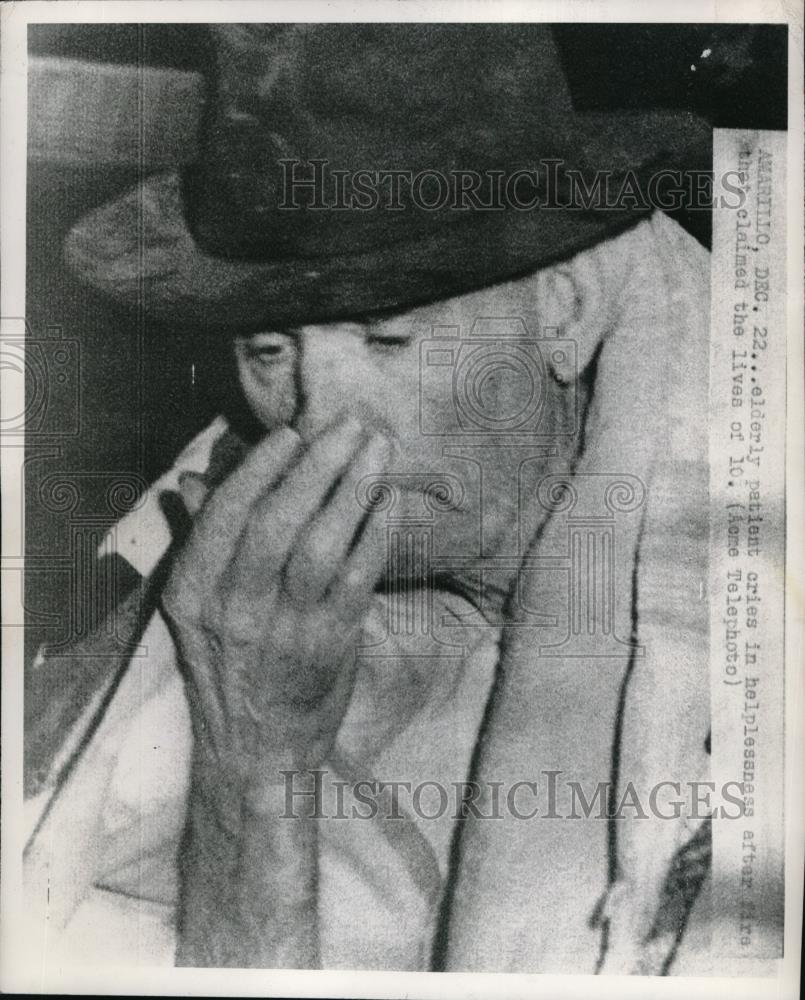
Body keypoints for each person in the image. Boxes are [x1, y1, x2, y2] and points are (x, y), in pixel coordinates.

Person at [24, 24, 713, 974]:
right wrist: (256, 764)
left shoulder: (732, 652)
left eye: (387, 342)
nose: (316, 425)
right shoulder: (215, 603)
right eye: (269, 352)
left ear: (564, 310)